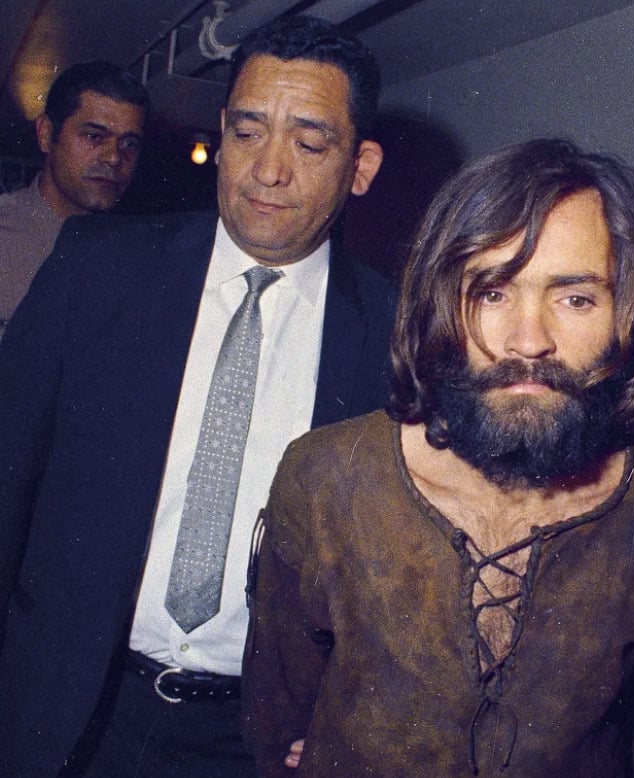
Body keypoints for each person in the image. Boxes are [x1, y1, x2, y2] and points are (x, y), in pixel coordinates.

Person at [241, 138, 634, 777]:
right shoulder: (327, 479)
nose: (529, 341)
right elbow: (279, 725)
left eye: (576, 299)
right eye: (493, 293)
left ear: (627, 319)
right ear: (440, 302)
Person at [0, 16, 392, 777]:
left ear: (360, 166)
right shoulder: (98, 268)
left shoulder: (395, 333)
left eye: (309, 145)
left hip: (255, 741)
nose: (268, 170)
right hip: (67, 707)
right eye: (247, 132)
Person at [0, 61, 147, 339]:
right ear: (46, 134)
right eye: (94, 136)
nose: (114, 157)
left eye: (129, 143)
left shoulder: (140, 257)